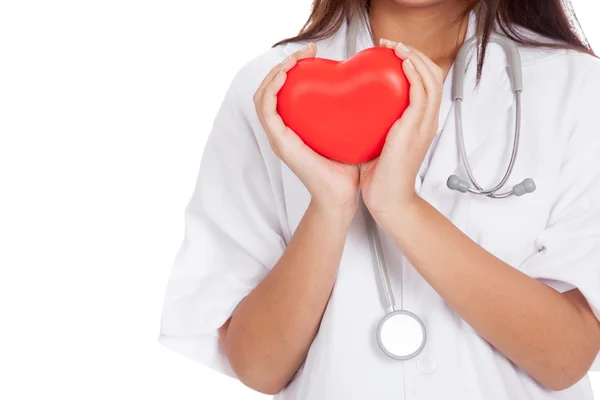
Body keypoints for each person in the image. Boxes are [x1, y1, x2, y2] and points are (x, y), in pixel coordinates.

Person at [158, 0, 600, 398]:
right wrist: (330, 206)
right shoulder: (273, 90)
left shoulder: (575, 87)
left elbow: (565, 359)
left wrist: (399, 207)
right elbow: (258, 368)